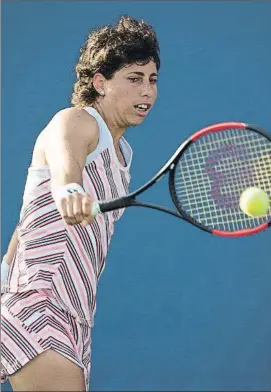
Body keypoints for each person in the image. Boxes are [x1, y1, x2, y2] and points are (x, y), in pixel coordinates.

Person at [1, 15, 160, 391]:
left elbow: (29, 222)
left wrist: (5, 272)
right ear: (100, 82)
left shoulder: (125, 157)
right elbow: (64, 158)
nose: (147, 92)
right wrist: (70, 190)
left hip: (68, 312)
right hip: (39, 303)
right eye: (134, 79)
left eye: (152, 80)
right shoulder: (77, 121)